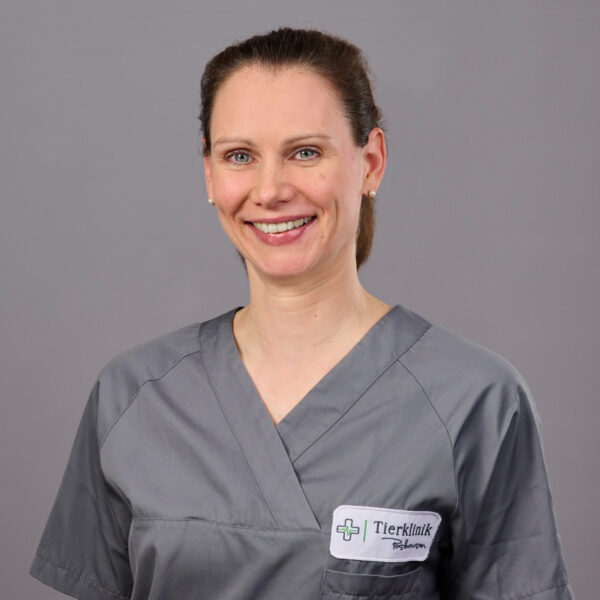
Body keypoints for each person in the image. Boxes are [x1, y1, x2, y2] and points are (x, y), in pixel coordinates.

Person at [30, 27, 574, 600]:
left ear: (371, 162)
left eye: (305, 152)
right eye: (240, 156)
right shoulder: (133, 396)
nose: (270, 190)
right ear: (210, 175)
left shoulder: (475, 400)